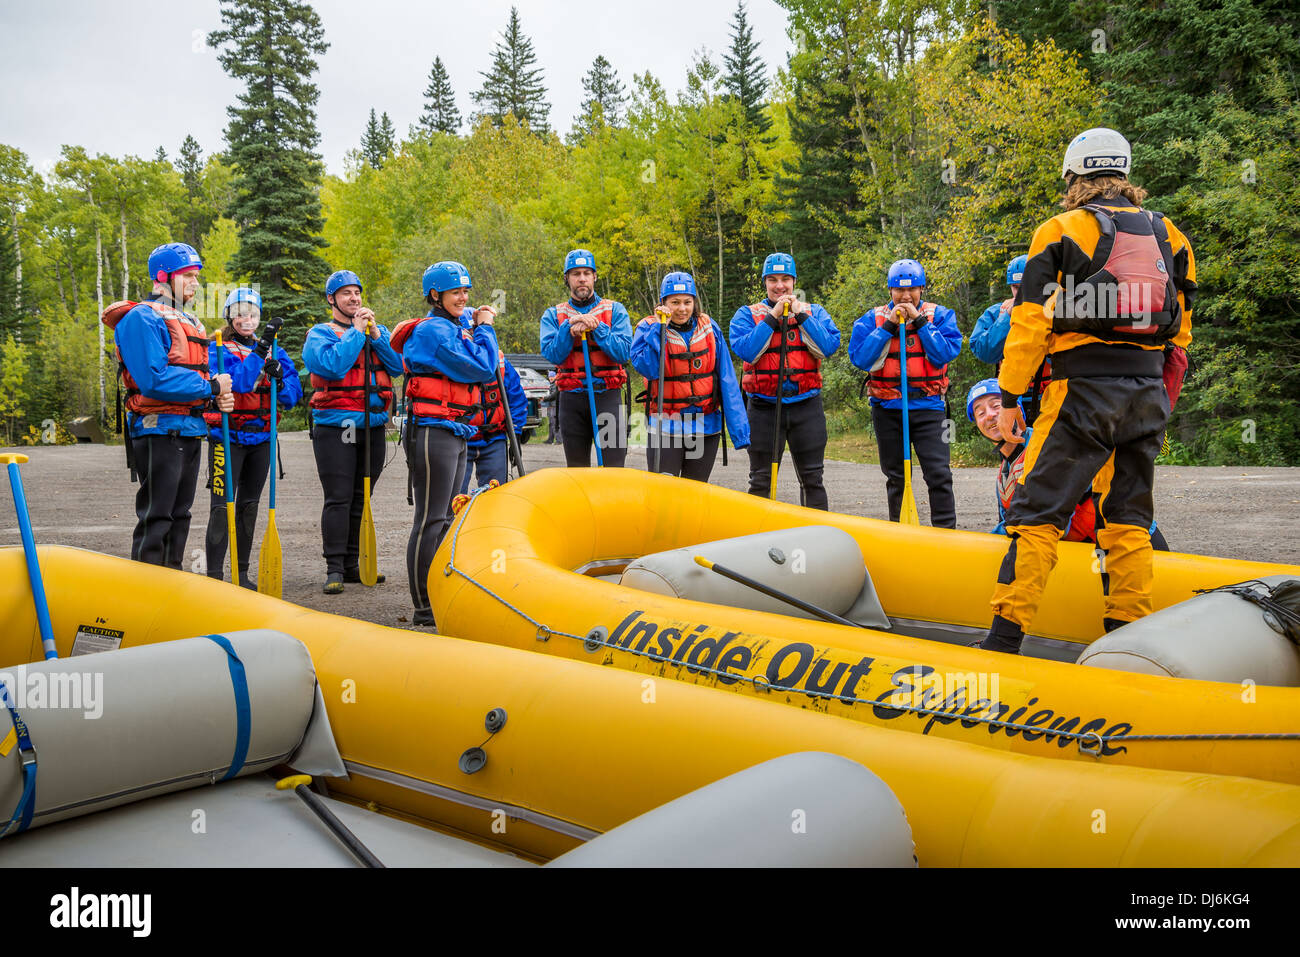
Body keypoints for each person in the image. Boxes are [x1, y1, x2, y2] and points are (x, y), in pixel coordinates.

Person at [981, 127, 1196, 654]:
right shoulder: (1171, 235)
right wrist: (1159, 398)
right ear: (1123, 176)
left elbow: (1029, 325)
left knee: (1036, 513)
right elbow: (1182, 332)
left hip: (1079, 394)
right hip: (1145, 394)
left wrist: (1010, 399)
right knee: (1127, 519)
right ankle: (1126, 641)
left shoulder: (1058, 230)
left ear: (1074, 177)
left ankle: (1005, 639)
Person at [102, 242, 233, 568]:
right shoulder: (141, 318)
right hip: (157, 428)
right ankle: (147, 591)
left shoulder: (188, 320)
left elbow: (196, 373)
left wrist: (218, 390)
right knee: (157, 516)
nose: (195, 283)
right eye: (187, 276)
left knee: (180, 515)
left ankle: (171, 585)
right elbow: (153, 380)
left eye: (196, 276)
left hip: (189, 427)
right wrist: (211, 386)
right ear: (163, 277)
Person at [391, 261, 500, 627]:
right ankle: (423, 606)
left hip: (455, 430)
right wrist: (485, 327)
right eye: (456, 293)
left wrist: (474, 320)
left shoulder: (453, 326)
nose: (463, 298)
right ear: (436, 295)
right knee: (430, 518)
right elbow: (484, 368)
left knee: (451, 518)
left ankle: (438, 594)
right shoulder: (433, 332)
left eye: (466, 292)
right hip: (432, 432)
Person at [965, 379, 1168, 549]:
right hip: (1085, 550)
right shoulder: (1004, 473)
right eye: (980, 412)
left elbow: (1043, 520)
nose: (989, 415)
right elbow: (1009, 524)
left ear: (1016, 411)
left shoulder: (1048, 446)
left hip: (1132, 540)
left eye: (995, 405)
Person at [302, 269, 404, 595]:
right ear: (332, 299)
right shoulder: (321, 333)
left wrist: (375, 336)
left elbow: (398, 367)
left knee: (362, 498)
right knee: (339, 498)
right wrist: (357, 333)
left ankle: (352, 565)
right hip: (339, 426)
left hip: (373, 426)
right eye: (346, 293)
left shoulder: (377, 332)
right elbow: (333, 366)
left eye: (357, 293)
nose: (354, 298)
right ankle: (333, 567)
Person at [848, 258, 963, 527]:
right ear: (890, 291)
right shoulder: (871, 319)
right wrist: (887, 326)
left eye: (912, 289)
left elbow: (945, 353)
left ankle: (946, 533)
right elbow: (861, 359)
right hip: (887, 410)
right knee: (896, 476)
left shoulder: (941, 316)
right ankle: (899, 531)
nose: (905, 296)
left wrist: (921, 323)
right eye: (899, 290)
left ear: (922, 289)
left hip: (930, 408)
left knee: (939, 474)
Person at [203, 288, 302, 587]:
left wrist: (279, 377)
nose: (247, 319)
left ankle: (242, 574)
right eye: (241, 313)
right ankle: (214, 577)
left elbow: (292, 397)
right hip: (227, 438)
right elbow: (241, 384)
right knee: (222, 507)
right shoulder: (216, 349)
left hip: (261, 438)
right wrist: (260, 352)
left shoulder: (277, 352)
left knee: (249, 506)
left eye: (253, 313)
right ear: (230, 317)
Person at [728, 253, 840, 508]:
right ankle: (759, 537)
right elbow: (746, 351)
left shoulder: (814, 312)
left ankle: (816, 538)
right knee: (761, 480)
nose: (780, 286)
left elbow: (829, 345)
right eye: (773, 280)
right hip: (764, 408)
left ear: (794, 281)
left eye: (786, 279)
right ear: (765, 282)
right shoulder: (746, 315)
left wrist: (800, 316)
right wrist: (773, 316)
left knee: (812, 479)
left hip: (806, 406)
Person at [630, 271, 750, 480]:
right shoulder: (648, 328)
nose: (682, 309)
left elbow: (727, 381)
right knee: (664, 496)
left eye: (687, 302)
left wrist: (739, 432)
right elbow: (646, 367)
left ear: (695, 302)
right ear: (663, 303)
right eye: (675, 302)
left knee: (695, 495)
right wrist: (660, 329)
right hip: (666, 427)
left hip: (706, 427)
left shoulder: (710, 328)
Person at [539, 249, 632, 467]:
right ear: (567, 279)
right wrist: (568, 330)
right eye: (575, 274)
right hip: (571, 400)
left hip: (607, 397)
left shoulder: (615, 310)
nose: (581, 278)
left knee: (614, 469)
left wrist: (598, 327)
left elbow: (623, 353)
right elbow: (553, 354)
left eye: (586, 273)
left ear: (594, 277)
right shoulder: (552, 315)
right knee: (577, 471)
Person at [972, 255, 1053, 425]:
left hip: (1050, 397)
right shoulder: (996, 313)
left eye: (1027, 287)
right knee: (1014, 450)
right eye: (1016, 288)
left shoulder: (1055, 312)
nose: (1022, 294)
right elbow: (984, 351)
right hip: (1012, 399)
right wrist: (1007, 318)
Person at [457, 319, 528, 493]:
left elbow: (516, 399)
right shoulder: (452, 361)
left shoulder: (500, 362)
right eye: (467, 333)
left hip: (493, 439)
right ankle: (455, 520)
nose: (473, 338)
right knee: (455, 496)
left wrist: (516, 435)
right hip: (460, 439)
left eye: (474, 332)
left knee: (496, 494)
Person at [542, 371, 560, 444]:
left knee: (554, 422)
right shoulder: (550, 384)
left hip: (554, 405)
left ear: (555, 376)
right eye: (550, 376)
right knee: (550, 423)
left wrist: (544, 398)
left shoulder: (556, 385)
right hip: (549, 406)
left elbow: (553, 395)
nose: (551, 378)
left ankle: (558, 439)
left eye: (552, 376)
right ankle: (550, 439)